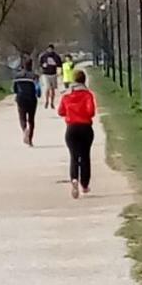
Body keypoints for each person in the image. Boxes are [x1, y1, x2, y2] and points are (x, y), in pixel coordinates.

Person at [58, 69, 96, 199]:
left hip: (71, 128)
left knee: (74, 156)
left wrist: (71, 112)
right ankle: (84, 185)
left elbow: (61, 112)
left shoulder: (66, 95)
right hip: (85, 127)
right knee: (85, 156)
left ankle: (74, 179)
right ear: (84, 80)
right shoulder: (88, 95)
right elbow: (91, 112)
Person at [12, 57, 40, 146]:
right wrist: (38, 95)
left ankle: (24, 129)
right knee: (31, 119)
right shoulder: (34, 76)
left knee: (22, 117)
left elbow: (14, 89)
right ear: (31, 65)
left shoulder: (17, 76)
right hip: (31, 98)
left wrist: (17, 93)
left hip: (21, 98)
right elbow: (38, 89)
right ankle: (30, 140)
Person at [38, 44, 63, 109]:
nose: (50, 50)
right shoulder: (44, 56)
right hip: (46, 74)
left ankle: (52, 102)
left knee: (53, 89)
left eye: (51, 49)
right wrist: (43, 66)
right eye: (49, 49)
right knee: (47, 88)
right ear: (47, 49)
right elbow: (40, 64)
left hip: (53, 74)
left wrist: (59, 71)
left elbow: (60, 65)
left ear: (53, 49)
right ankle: (46, 101)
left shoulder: (56, 56)